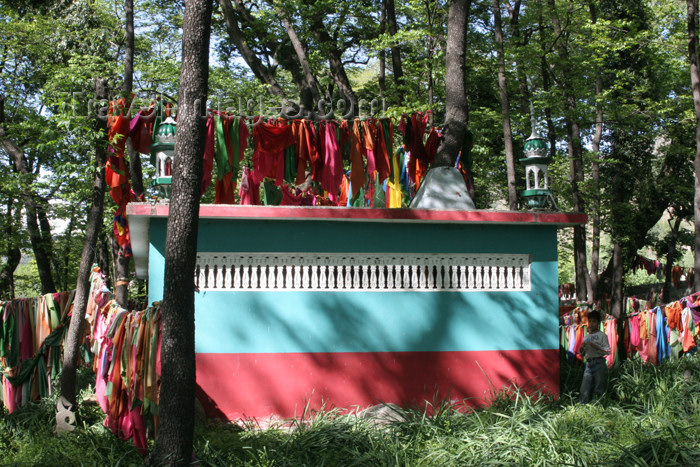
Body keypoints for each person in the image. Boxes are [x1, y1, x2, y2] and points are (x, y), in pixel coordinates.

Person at [579, 310, 611, 403]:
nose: (591, 324)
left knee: (599, 387)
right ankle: (582, 405)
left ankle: (598, 406)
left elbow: (608, 351)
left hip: (599, 362)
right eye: (590, 321)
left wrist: (596, 347)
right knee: (585, 386)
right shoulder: (586, 336)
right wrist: (581, 349)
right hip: (588, 364)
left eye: (594, 321)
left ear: (598, 323)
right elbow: (582, 354)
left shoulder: (602, 335)